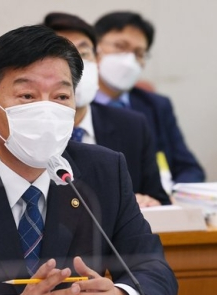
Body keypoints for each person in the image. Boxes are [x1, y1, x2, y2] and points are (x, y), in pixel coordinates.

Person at [0, 25, 177, 295]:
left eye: (61, 96)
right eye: (27, 95)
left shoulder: (104, 172)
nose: (46, 110)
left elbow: (154, 269)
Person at [43, 12, 170, 207]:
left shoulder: (133, 126)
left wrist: (149, 203)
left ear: (97, 59)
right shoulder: (13, 128)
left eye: (84, 53)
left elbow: (160, 200)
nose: (76, 63)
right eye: (63, 54)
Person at [93, 11, 205, 185]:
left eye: (139, 53)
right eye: (120, 46)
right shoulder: (77, 104)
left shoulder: (156, 105)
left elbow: (189, 168)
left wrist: (172, 196)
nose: (129, 60)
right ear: (94, 48)